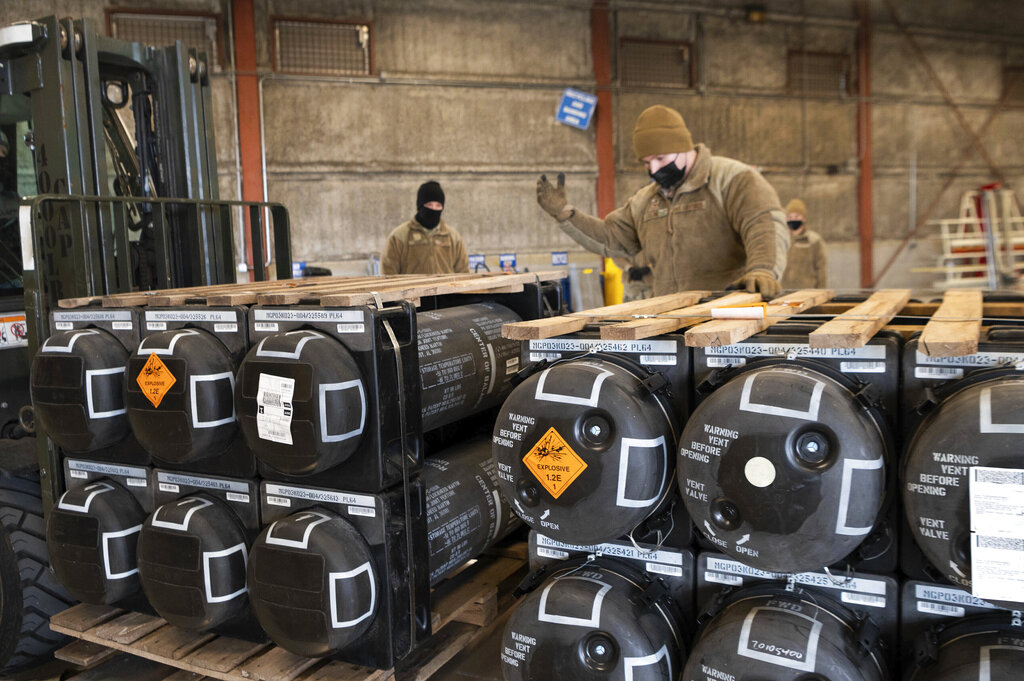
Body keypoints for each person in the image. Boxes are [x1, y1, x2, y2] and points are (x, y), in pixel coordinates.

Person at [536, 105, 789, 297]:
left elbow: (763, 225)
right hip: (670, 318)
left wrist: (763, 269)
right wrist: (565, 214)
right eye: (647, 163)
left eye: (660, 158)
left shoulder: (733, 179)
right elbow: (612, 238)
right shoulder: (646, 200)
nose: (654, 170)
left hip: (727, 313)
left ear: (685, 146)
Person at [382, 180, 468, 275]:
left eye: (438, 205)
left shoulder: (452, 237)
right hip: (412, 285)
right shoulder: (399, 236)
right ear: (420, 206)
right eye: (429, 205)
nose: (433, 209)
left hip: (446, 285)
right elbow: (388, 271)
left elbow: (463, 271)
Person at [781, 198, 828, 289]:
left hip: (807, 292)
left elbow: (821, 271)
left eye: (797, 216)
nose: (793, 219)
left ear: (804, 218)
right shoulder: (781, 240)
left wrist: (821, 291)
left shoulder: (814, 240)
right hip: (783, 293)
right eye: (789, 217)